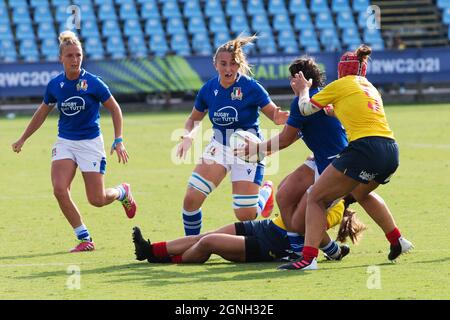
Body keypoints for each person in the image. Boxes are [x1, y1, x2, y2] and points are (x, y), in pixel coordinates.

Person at [278, 44, 413, 270]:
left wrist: (303, 89)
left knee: (315, 197)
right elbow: (348, 110)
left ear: (341, 70)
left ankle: (308, 259)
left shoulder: (340, 84)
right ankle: (397, 239)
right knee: (360, 192)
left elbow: (304, 108)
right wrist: (332, 110)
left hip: (364, 149)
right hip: (390, 150)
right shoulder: (369, 86)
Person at [11, 31, 137, 252]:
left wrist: (119, 139)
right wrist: (23, 138)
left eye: (78, 55)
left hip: (91, 143)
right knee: (60, 189)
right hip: (65, 142)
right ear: (61, 58)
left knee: (96, 200)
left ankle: (122, 192)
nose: (75, 59)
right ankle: (84, 238)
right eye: (69, 55)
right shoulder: (54, 85)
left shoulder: (93, 83)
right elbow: (41, 113)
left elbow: (115, 109)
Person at [176, 34, 289, 236]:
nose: (228, 68)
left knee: (245, 215)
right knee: (190, 199)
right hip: (219, 146)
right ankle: (189, 244)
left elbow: (273, 114)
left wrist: (280, 117)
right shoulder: (208, 89)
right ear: (215, 64)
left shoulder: (251, 87)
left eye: (233, 64)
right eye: (223, 63)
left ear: (239, 65)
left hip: (248, 149)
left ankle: (265, 192)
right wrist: (188, 136)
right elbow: (193, 119)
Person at [236, 56, 348, 258]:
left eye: (292, 78)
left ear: (298, 79)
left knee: (299, 221)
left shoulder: (303, 102)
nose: (291, 83)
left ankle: (306, 253)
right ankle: (322, 251)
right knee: (284, 194)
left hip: (338, 167)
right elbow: (294, 135)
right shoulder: (314, 98)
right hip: (321, 161)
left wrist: (257, 148)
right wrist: (261, 150)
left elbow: (286, 138)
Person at [131, 197, 366, 264]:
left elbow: (312, 229)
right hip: (262, 226)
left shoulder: (337, 208)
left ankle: (165, 260)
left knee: (208, 243)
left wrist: (333, 250)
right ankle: (149, 249)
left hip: (269, 247)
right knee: (203, 236)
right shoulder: (321, 187)